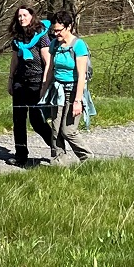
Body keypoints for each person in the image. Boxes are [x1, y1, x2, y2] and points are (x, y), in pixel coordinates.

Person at [7, 5, 55, 166]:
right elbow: (14, 60)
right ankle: (21, 155)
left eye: (24, 15)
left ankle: (56, 148)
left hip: (36, 82)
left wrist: (44, 84)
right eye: (19, 16)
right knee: (18, 120)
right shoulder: (17, 38)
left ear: (31, 16)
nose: (22, 18)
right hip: (20, 82)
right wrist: (10, 80)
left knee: (37, 121)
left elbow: (48, 61)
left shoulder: (41, 35)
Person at [47, 10, 93, 163]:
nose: (56, 34)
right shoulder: (54, 44)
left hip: (73, 92)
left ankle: (87, 158)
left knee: (68, 131)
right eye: (54, 31)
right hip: (57, 91)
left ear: (69, 27)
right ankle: (58, 162)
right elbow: (50, 69)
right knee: (55, 129)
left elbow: (82, 76)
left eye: (59, 31)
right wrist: (43, 90)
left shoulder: (79, 46)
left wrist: (78, 101)